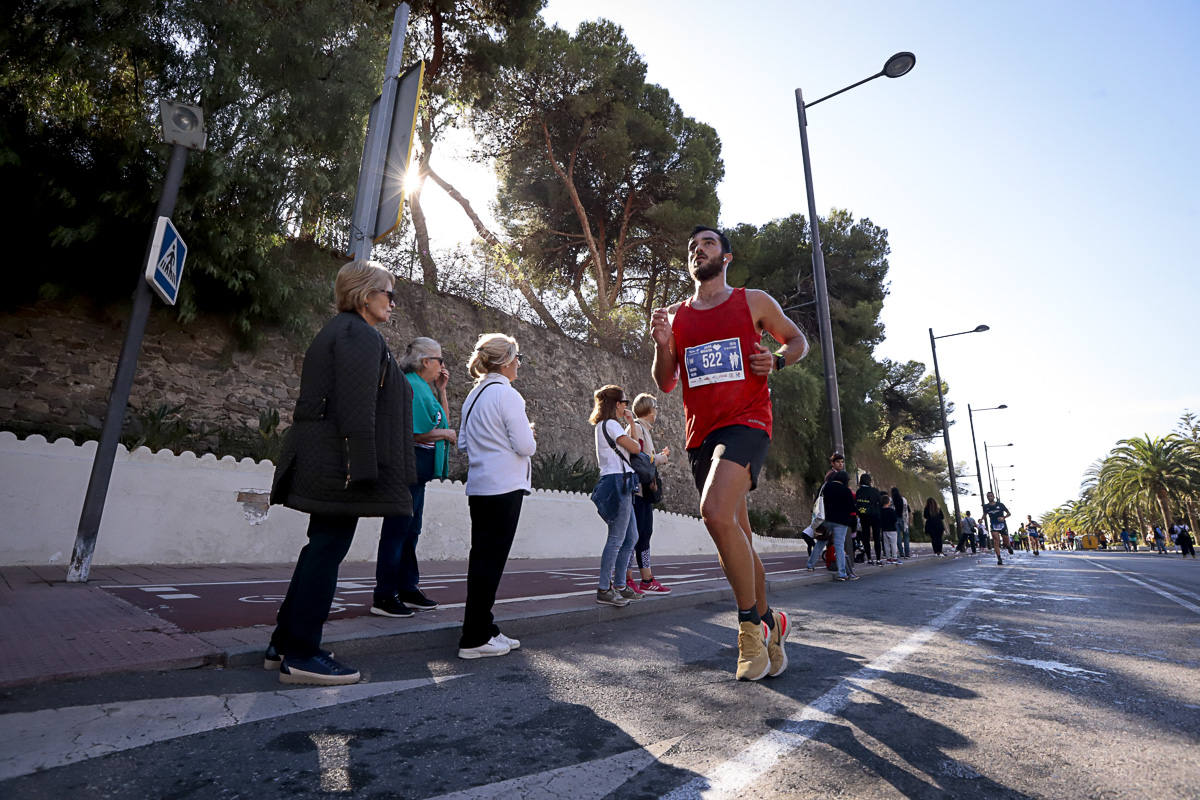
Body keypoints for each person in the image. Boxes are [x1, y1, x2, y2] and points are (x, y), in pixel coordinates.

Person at [651, 224, 809, 681]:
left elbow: (797, 341)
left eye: (708, 244)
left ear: (727, 257)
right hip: (701, 436)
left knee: (715, 512)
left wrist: (777, 361)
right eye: (692, 247)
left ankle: (748, 630)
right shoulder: (677, 317)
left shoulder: (753, 301)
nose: (698, 250)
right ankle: (771, 621)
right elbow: (665, 381)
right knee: (735, 530)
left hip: (748, 423)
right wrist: (663, 346)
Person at [266, 260, 415, 685]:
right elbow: (356, 406)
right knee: (326, 551)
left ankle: (284, 643)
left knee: (321, 548)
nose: (392, 301)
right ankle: (302, 654)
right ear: (365, 294)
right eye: (388, 292)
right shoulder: (357, 334)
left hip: (331, 461)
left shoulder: (347, 332)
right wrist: (363, 467)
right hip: (339, 466)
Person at [455, 333, 537, 659]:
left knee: (482, 560)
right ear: (505, 361)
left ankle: (483, 627)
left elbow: (462, 444)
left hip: (480, 486)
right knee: (491, 563)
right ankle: (474, 637)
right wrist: (528, 432)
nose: (519, 364)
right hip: (504, 487)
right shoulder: (508, 395)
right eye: (518, 358)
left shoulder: (473, 395)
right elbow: (526, 447)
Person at [372, 337, 455, 618]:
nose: (443, 366)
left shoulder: (424, 388)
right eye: (440, 360)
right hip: (407, 468)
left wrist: (441, 390)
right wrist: (446, 435)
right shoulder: (410, 385)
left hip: (418, 471)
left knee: (411, 531)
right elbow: (418, 431)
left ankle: (407, 587)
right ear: (425, 361)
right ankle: (385, 594)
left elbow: (441, 419)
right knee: (398, 530)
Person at [591, 385, 645, 607]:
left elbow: (631, 444)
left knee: (630, 537)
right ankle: (605, 588)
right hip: (618, 482)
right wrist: (631, 425)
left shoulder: (605, 426)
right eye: (625, 402)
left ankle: (621, 585)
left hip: (618, 482)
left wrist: (631, 424)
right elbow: (635, 447)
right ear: (616, 404)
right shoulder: (612, 425)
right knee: (617, 538)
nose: (627, 405)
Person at [626, 393, 672, 594]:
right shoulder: (636, 429)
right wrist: (661, 458)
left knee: (644, 533)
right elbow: (638, 457)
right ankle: (627, 578)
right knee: (634, 535)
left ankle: (646, 578)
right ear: (649, 409)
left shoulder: (644, 430)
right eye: (655, 408)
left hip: (643, 492)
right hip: (637, 491)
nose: (657, 412)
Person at [855, 473, 884, 565]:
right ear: (870, 481)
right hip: (875, 516)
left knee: (865, 538)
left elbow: (857, 504)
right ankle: (878, 559)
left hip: (864, 516)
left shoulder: (859, 491)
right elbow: (881, 502)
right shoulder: (875, 491)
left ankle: (869, 558)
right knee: (876, 537)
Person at [982, 491, 1013, 565]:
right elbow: (985, 514)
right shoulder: (986, 506)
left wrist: (1004, 517)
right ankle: (999, 558)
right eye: (988, 496)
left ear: (994, 497)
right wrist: (981, 519)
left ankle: (1008, 546)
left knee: (1005, 541)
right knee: (996, 540)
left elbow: (1009, 513)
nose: (990, 497)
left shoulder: (1000, 505)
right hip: (993, 525)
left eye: (991, 496)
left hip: (1002, 525)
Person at [891, 487, 911, 559]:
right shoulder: (904, 500)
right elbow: (908, 510)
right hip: (904, 520)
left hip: (895, 520)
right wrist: (908, 520)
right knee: (906, 537)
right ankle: (907, 554)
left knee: (898, 537)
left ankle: (901, 553)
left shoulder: (891, 501)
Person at [880, 495, 901, 564]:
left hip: (884, 530)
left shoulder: (880, 511)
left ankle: (888, 558)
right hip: (892, 529)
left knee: (886, 545)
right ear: (889, 502)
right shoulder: (891, 510)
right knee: (893, 544)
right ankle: (894, 558)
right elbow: (895, 519)